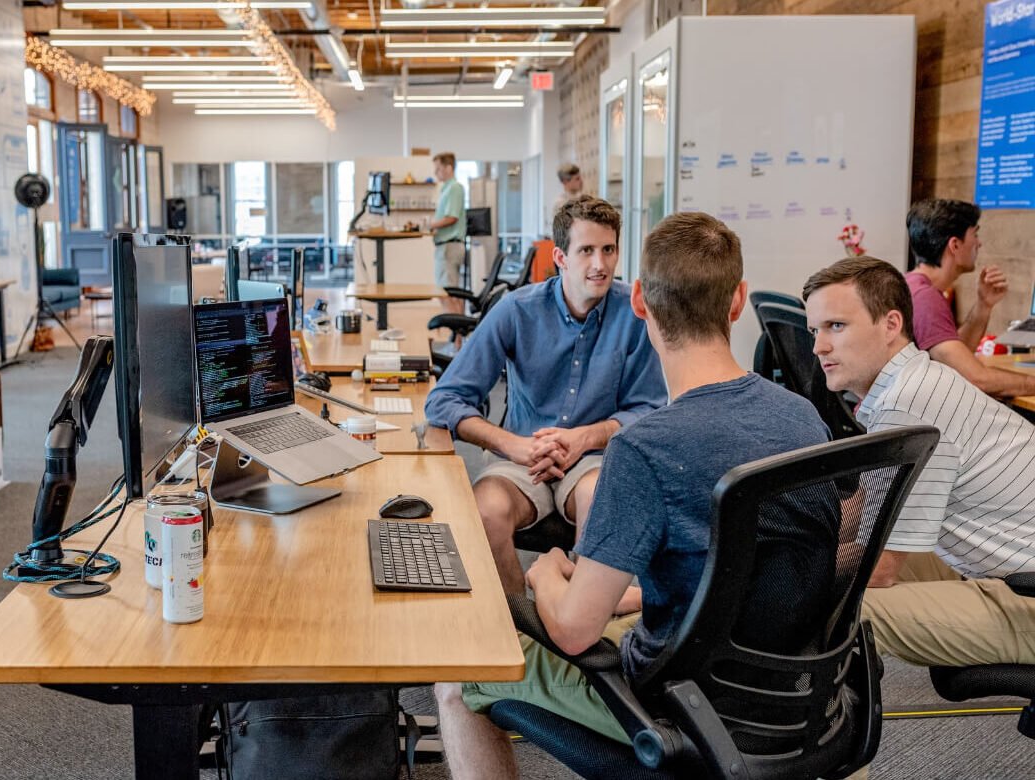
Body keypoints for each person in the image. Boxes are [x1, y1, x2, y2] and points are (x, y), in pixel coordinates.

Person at [434, 212, 832, 779]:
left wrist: (545, 574)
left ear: (640, 299)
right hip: (791, 693)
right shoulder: (804, 417)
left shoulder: (644, 450)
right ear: (738, 301)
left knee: (454, 674)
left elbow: (575, 632)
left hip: (674, 704)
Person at [425, 195, 666, 595]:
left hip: (593, 459)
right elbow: (444, 399)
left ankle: (577, 623)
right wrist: (513, 445)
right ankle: (522, 624)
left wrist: (584, 438)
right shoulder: (516, 311)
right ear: (560, 256)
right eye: (586, 250)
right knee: (485, 512)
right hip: (521, 457)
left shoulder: (635, 313)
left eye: (609, 250)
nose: (600, 265)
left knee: (601, 504)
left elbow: (651, 409)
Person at [803, 256, 1035, 667]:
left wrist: (759, 577)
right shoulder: (910, 386)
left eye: (836, 326)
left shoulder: (909, 404)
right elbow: (864, 516)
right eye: (815, 330)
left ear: (891, 325)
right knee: (814, 572)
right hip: (1005, 572)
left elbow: (879, 569)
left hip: (1024, 598)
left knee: (846, 607)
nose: (819, 346)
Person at [904, 198, 1035, 396]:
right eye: (975, 234)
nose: (979, 243)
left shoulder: (914, 285)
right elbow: (976, 378)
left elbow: (955, 358)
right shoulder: (925, 299)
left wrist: (984, 305)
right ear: (955, 245)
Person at [431, 152, 467, 314]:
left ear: (449, 168)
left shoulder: (454, 188)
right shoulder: (446, 189)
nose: (435, 173)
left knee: (448, 294)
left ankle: (457, 336)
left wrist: (431, 225)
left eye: (438, 169)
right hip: (445, 246)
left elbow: (451, 217)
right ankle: (457, 336)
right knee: (448, 292)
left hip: (449, 246)